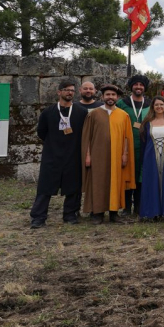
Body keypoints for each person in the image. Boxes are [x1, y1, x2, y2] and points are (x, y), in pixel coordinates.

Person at [30, 79, 88, 228]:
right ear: (59, 92)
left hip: (73, 155)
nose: (69, 93)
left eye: (72, 90)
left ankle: (70, 215)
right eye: (66, 90)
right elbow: (41, 132)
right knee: (45, 187)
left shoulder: (81, 112)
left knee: (73, 186)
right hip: (52, 154)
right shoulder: (48, 112)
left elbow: (85, 133)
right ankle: (38, 217)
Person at [81, 84, 136, 224]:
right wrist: (88, 155)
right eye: (107, 95)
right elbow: (87, 137)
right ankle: (97, 213)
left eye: (113, 95)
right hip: (98, 155)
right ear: (102, 97)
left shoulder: (123, 115)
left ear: (117, 97)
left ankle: (114, 213)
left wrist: (125, 155)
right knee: (98, 182)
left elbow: (126, 138)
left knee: (116, 182)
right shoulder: (94, 114)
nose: (110, 97)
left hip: (117, 156)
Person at [139, 96, 164, 220]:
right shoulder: (146, 123)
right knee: (152, 182)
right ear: (153, 107)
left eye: (161, 104)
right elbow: (144, 142)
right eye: (156, 105)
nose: (159, 107)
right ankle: (151, 212)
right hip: (150, 156)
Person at [117, 74, 151, 217]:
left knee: (140, 176)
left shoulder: (150, 104)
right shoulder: (122, 103)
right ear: (131, 87)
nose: (138, 87)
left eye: (141, 85)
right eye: (136, 84)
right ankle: (126, 207)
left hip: (144, 145)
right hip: (126, 145)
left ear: (145, 88)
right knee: (127, 174)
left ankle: (138, 206)